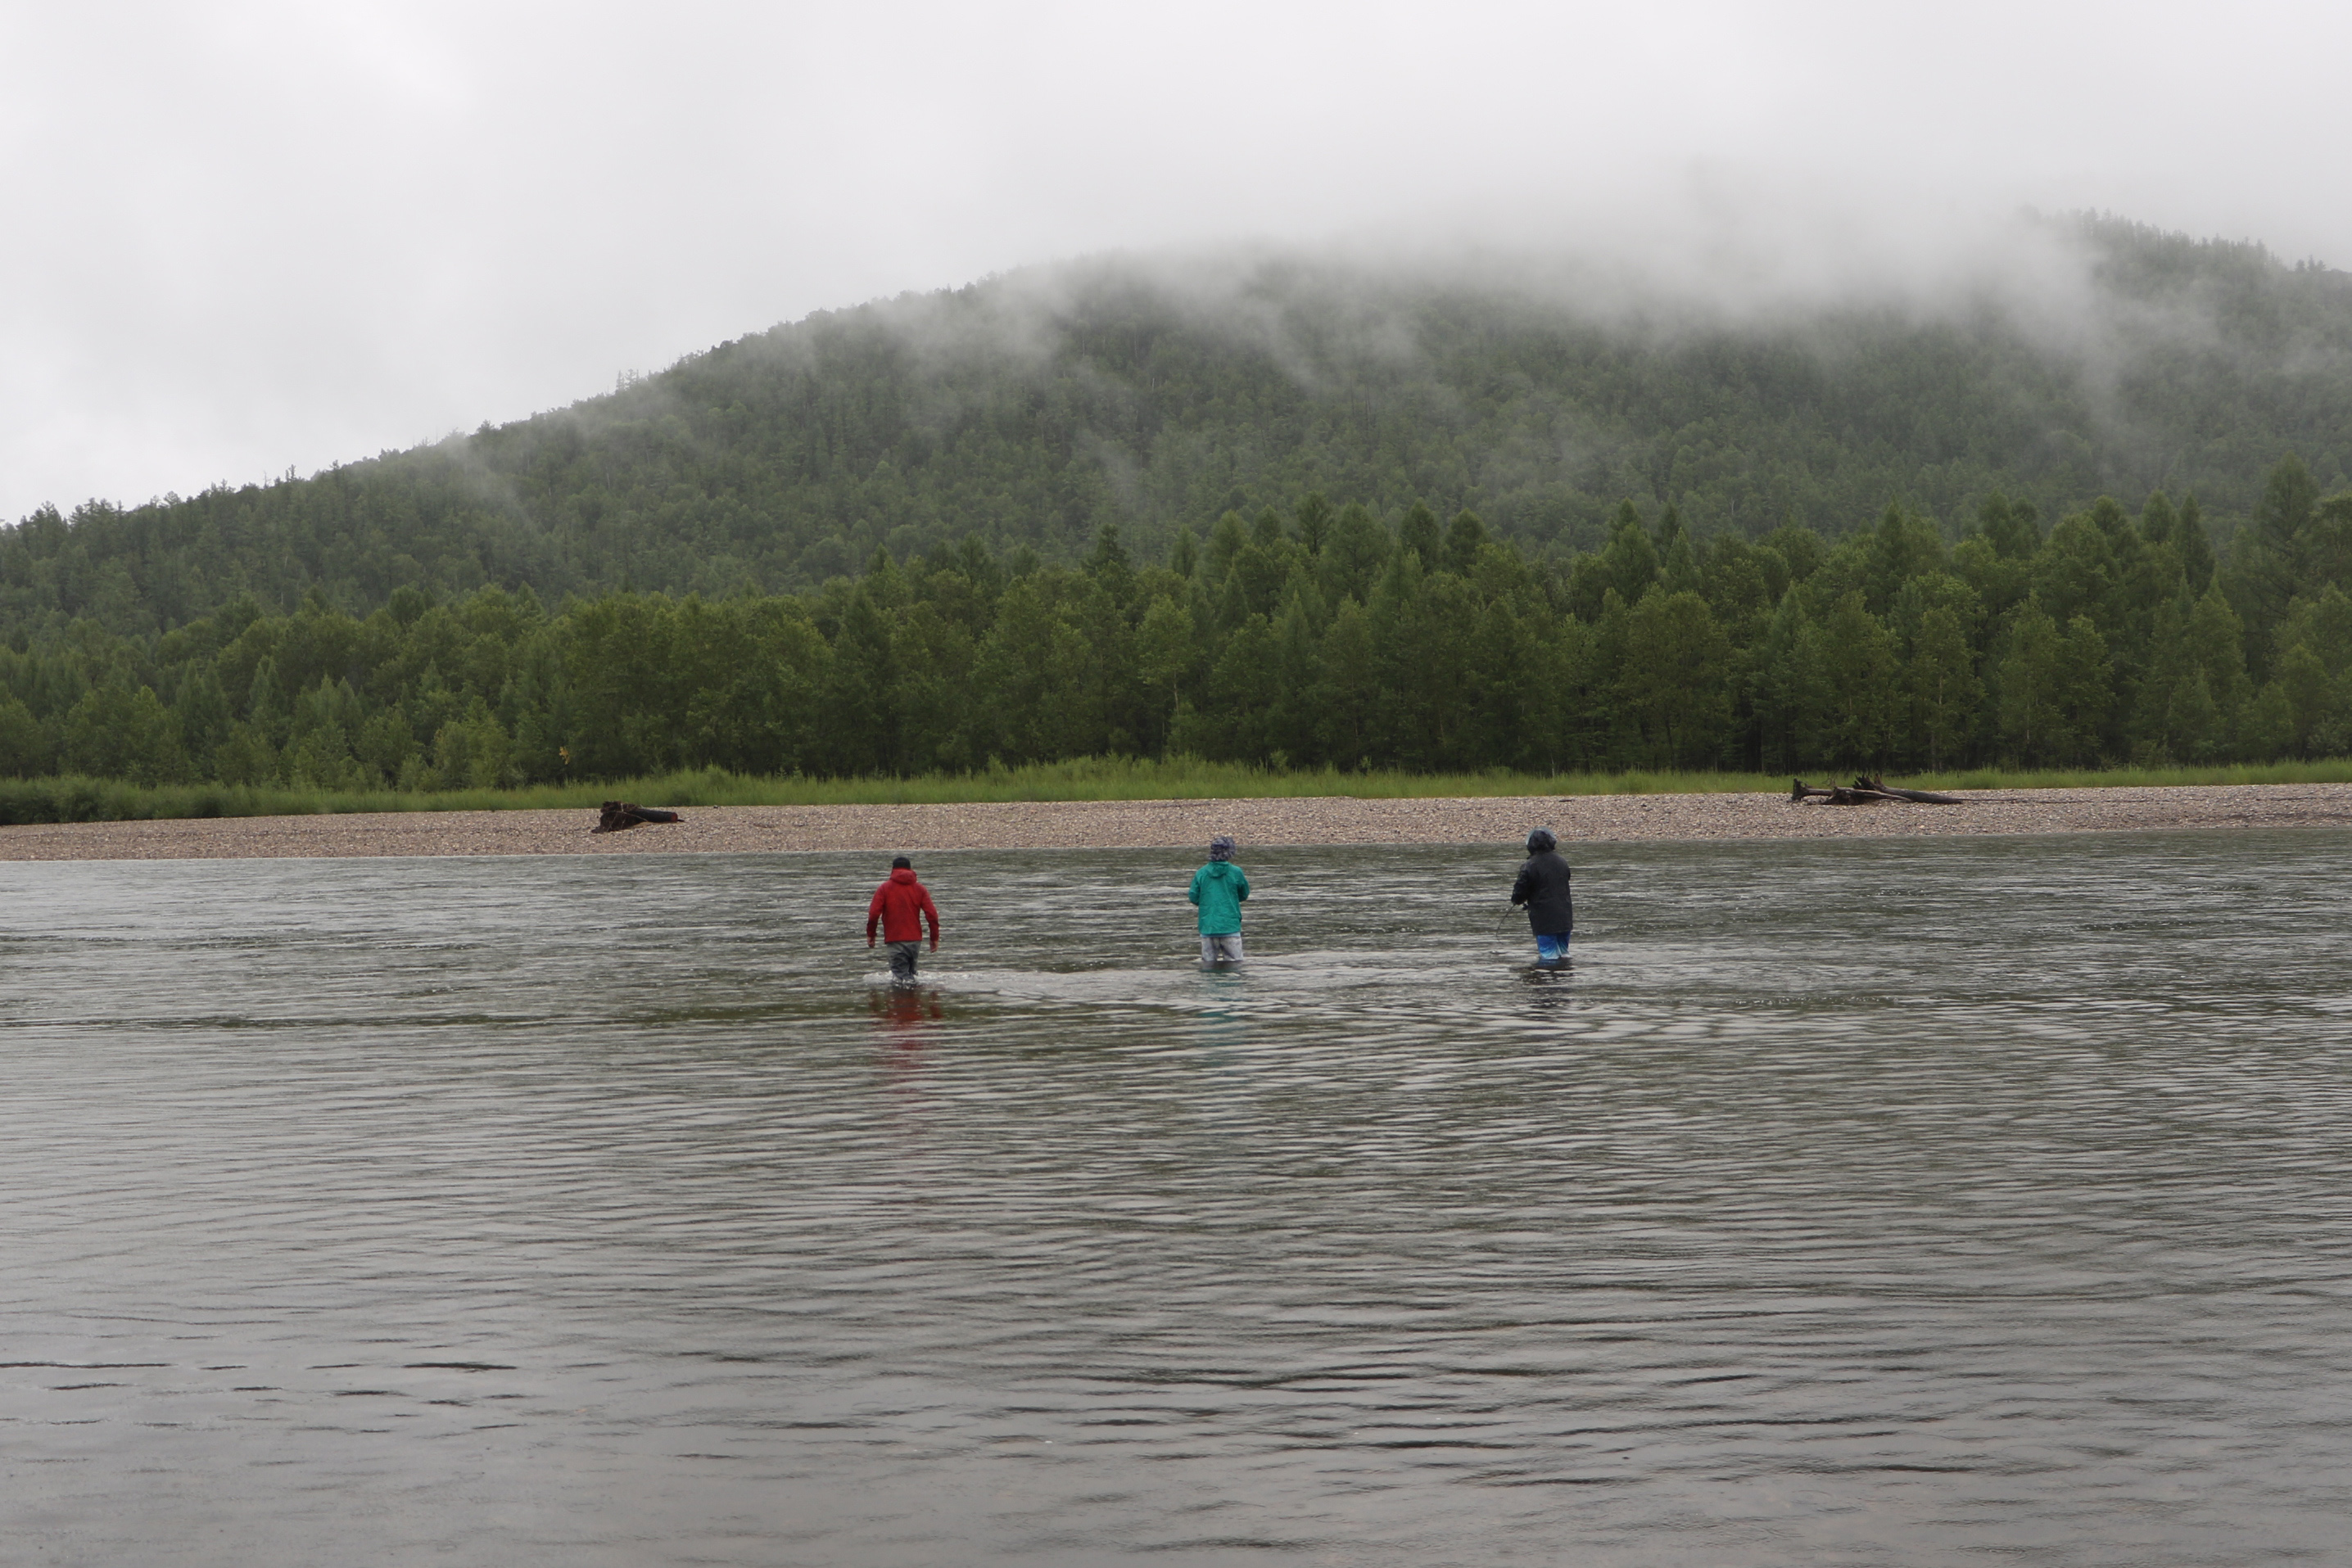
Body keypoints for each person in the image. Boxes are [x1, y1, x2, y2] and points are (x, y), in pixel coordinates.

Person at [866, 855, 940, 984]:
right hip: (915, 941)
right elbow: (932, 915)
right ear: (910, 870)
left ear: (893, 870)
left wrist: (871, 934)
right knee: (910, 977)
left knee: (901, 980)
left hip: (895, 940)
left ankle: (904, 1003)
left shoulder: (884, 889)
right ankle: (916, 1002)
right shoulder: (920, 889)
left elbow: (873, 914)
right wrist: (934, 937)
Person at [1510, 827, 1573, 965]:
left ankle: (1548, 982)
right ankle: (1565, 978)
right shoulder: (1562, 861)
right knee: (1564, 954)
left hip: (1544, 920)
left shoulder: (1529, 865)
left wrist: (1517, 900)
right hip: (1565, 917)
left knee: (1548, 956)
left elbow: (1520, 891)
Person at [1187, 835, 1250, 966]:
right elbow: (1244, 895)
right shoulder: (1236, 872)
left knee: (1208, 968)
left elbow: (1193, 897)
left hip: (1208, 927)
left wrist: (1207, 904)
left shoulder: (1201, 873)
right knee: (1235, 966)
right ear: (1231, 852)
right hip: (1230, 926)